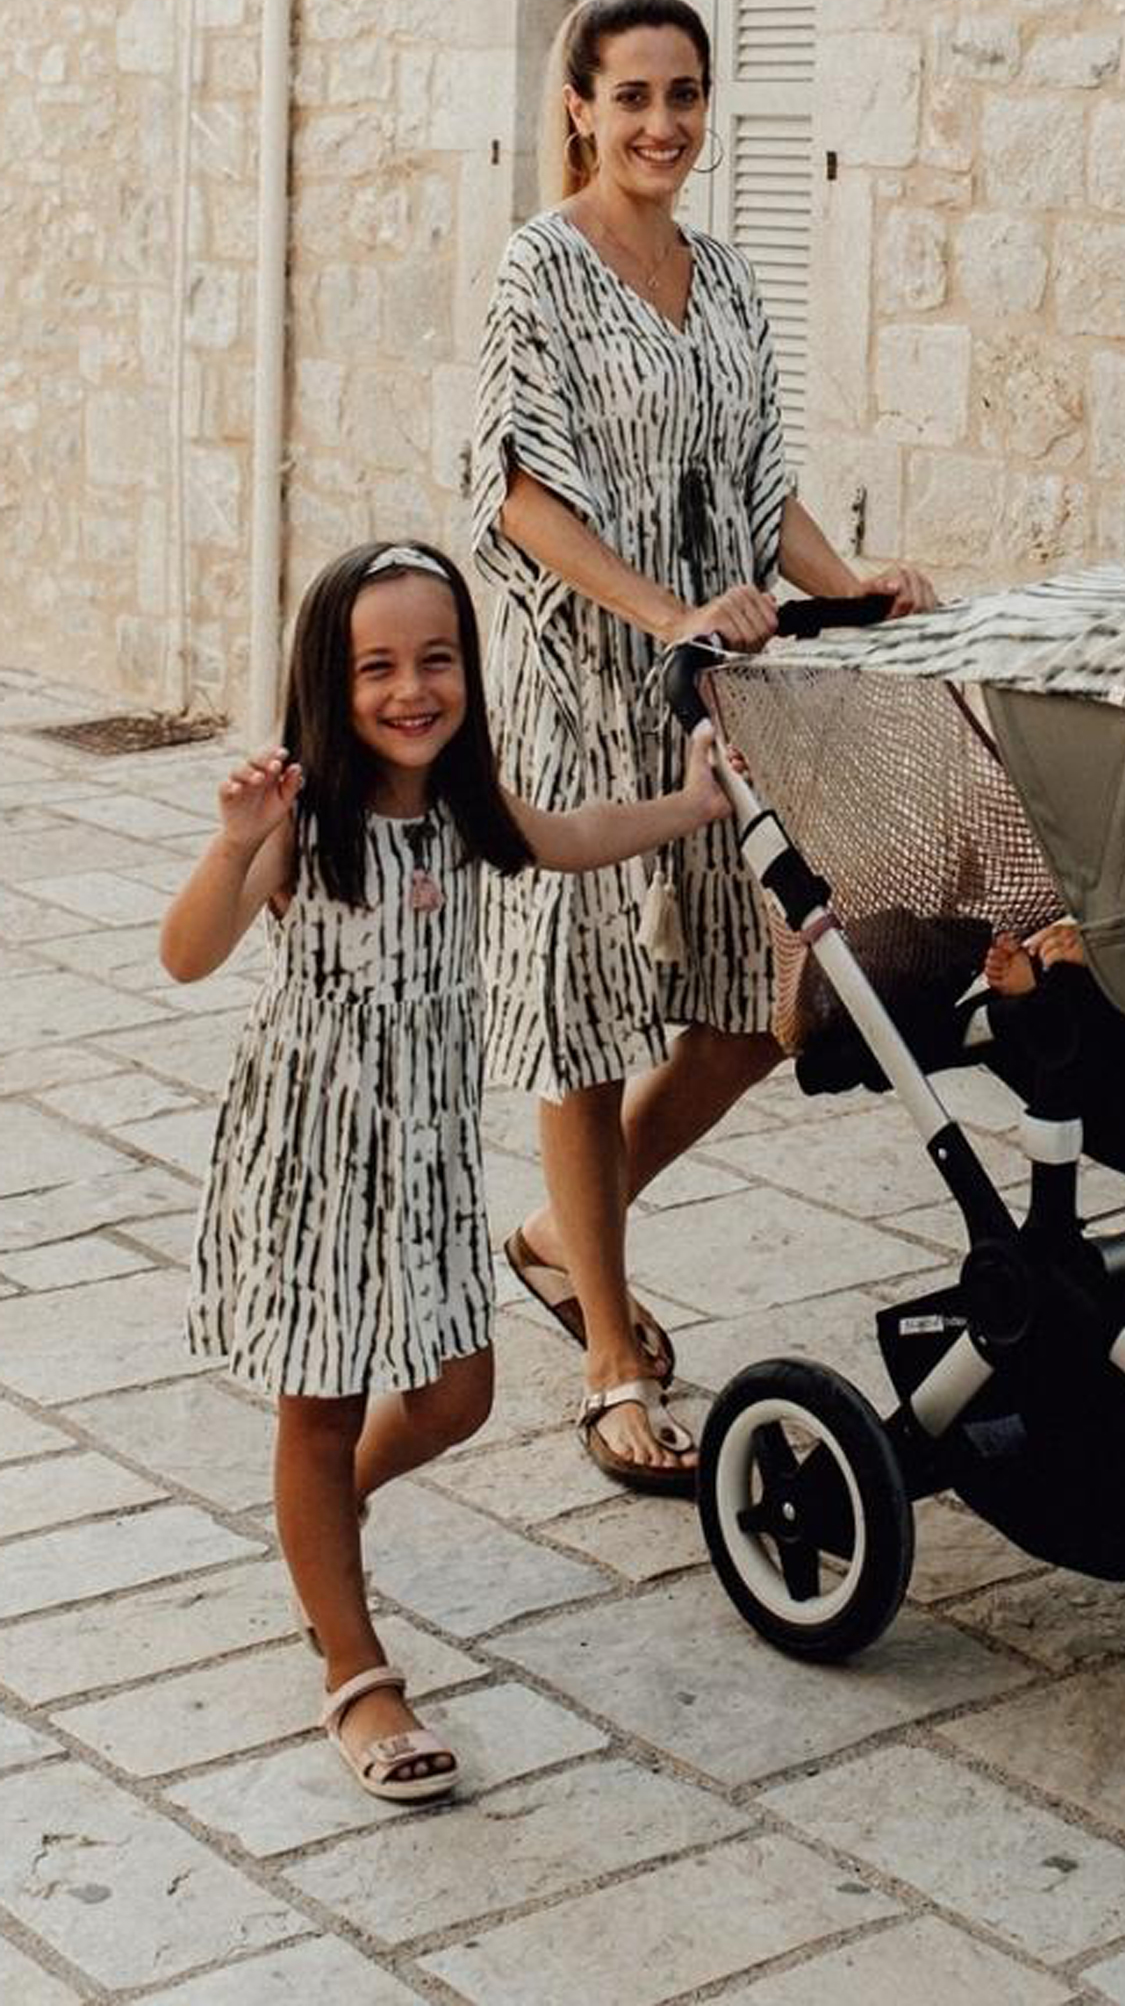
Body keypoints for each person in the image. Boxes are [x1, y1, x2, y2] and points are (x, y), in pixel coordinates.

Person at [161, 540, 727, 1805]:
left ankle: (323, 1522)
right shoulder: (305, 819)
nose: (411, 689)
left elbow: (572, 835)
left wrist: (690, 807)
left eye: (436, 658)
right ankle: (357, 1671)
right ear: (329, 678)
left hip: (423, 1161)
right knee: (317, 1411)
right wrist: (232, 844)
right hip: (311, 1158)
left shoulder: (467, 810)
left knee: (457, 1395)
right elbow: (186, 955)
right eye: (376, 666)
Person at [473, 0, 934, 1491]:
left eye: (684, 95)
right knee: (585, 1024)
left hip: (716, 704)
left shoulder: (727, 278)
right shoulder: (540, 270)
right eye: (633, 96)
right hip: (580, 699)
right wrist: (667, 609)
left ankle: (561, 1235)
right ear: (579, 109)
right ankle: (610, 1356)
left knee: (752, 1013)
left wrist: (850, 584)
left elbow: (758, 487)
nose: (661, 123)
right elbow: (518, 495)